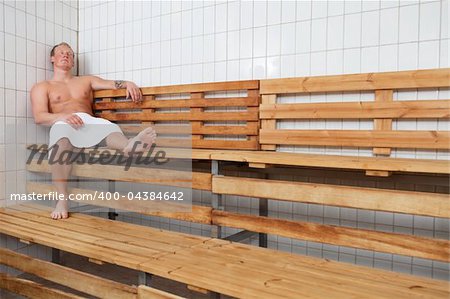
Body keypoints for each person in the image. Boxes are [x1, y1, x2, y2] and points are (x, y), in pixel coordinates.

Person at [30, 42, 156, 220]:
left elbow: (111, 84)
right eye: (61, 52)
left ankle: (129, 146)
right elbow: (40, 117)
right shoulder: (42, 87)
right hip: (63, 123)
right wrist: (62, 117)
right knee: (60, 141)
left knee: (108, 126)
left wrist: (128, 83)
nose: (66, 55)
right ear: (52, 58)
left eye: (69, 54)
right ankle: (62, 200)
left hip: (89, 122)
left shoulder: (86, 80)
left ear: (73, 61)